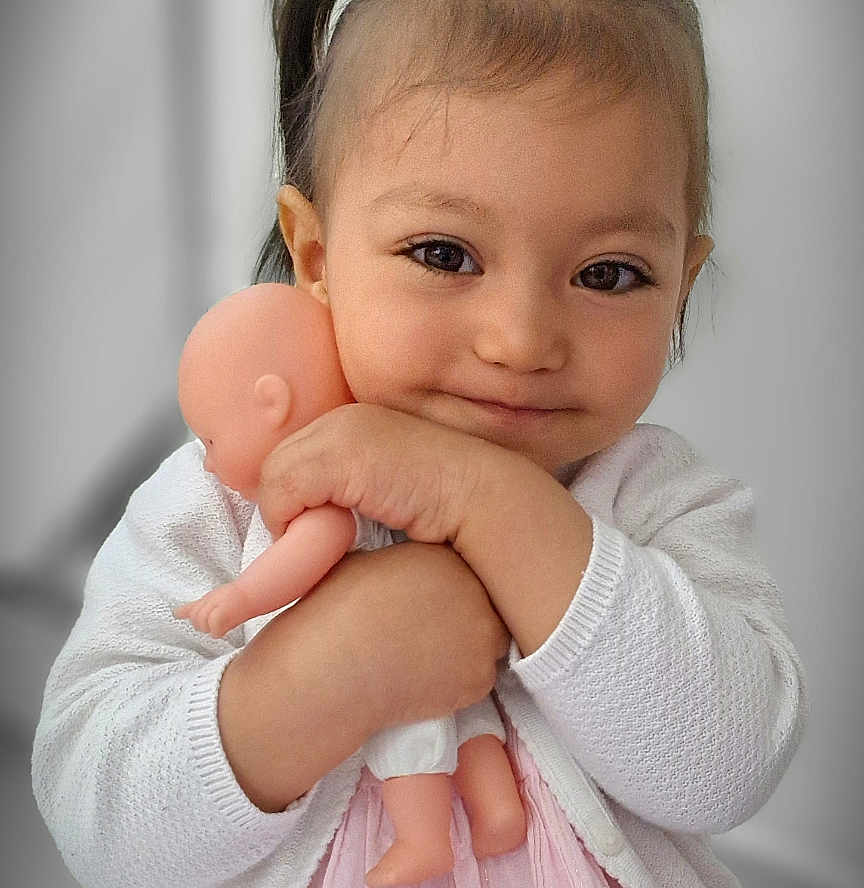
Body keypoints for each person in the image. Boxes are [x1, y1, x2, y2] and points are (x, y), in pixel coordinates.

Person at [32, 1, 809, 886]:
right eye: (444, 254)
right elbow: (96, 820)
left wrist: (484, 499)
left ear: (679, 287)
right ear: (316, 258)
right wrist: (320, 677)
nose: (520, 341)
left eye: (608, 274)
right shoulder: (233, 495)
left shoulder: (660, 501)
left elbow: (728, 769)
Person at [173, 281, 526, 885]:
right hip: (460, 651)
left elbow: (313, 550)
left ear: (272, 403)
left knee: (405, 731)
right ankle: (498, 807)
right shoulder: (385, 458)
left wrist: (241, 598)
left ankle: (422, 841)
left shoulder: (326, 490)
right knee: (469, 716)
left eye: (210, 440)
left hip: (402, 659)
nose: (207, 463)